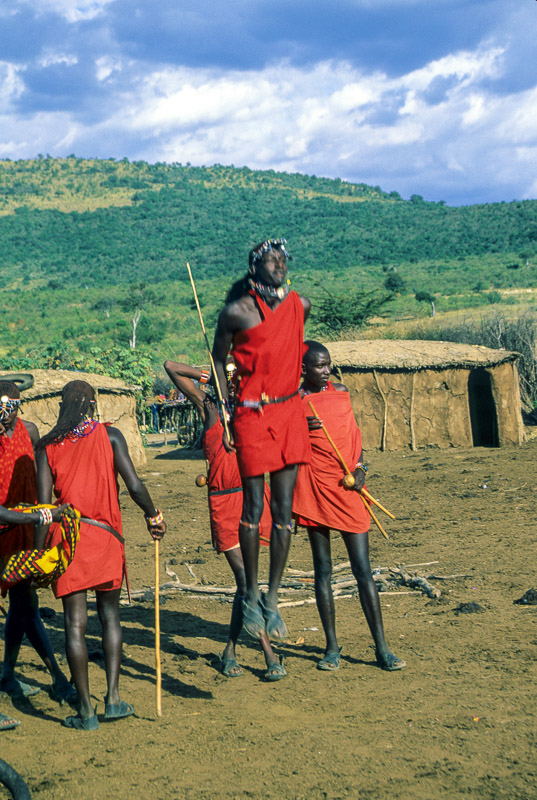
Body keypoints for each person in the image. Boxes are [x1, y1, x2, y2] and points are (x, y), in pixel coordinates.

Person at [35, 380, 166, 730]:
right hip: (106, 540)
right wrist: (153, 515)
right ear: (92, 404)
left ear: (62, 405)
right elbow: (134, 484)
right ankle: (113, 699)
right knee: (110, 617)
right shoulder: (111, 436)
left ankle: (85, 711)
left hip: (69, 543)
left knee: (74, 625)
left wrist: (36, 553)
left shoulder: (47, 447)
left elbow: (45, 508)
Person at [212, 238, 311, 641]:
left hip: (289, 412)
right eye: (270, 260)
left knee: (284, 513)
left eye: (282, 259)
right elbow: (218, 360)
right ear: (254, 267)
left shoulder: (299, 306)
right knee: (253, 509)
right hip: (251, 415)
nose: (279, 265)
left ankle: (272, 596)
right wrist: (224, 410)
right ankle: (250, 594)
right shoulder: (236, 312)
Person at [163, 358, 285, 680]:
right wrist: (208, 375)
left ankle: (229, 650)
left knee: (245, 584)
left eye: (237, 376)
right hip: (224, 503)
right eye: (227, 377)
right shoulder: (209, 408)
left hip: (256, 496)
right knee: (246, 580)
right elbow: (170, 367)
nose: (232, 382)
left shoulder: (252, 407)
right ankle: (269, 654)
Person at [292, 342, 405, 672]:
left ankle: (382, 649)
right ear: (303, 369)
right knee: (323, 571)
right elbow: (282, 445)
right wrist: (300, 427)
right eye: (319, 365)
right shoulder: (296, 402)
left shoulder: (341, 392)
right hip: (315, 489)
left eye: (328, 364)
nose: (326, 370)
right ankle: (331, 648)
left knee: (363, 571)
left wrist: (361, 471)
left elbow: (354, 442)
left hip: (348, 487)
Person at [0, 380, 76, 724]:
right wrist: (43, 515)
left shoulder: (30, 432)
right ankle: (57, 678)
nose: (3, 417)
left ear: (18, 406)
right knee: (25, 604)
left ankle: (8, 675)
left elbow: (43, 476)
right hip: (5, 531)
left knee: (23, 603)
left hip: (28, 529)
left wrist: (40, 524)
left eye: (7, 409)